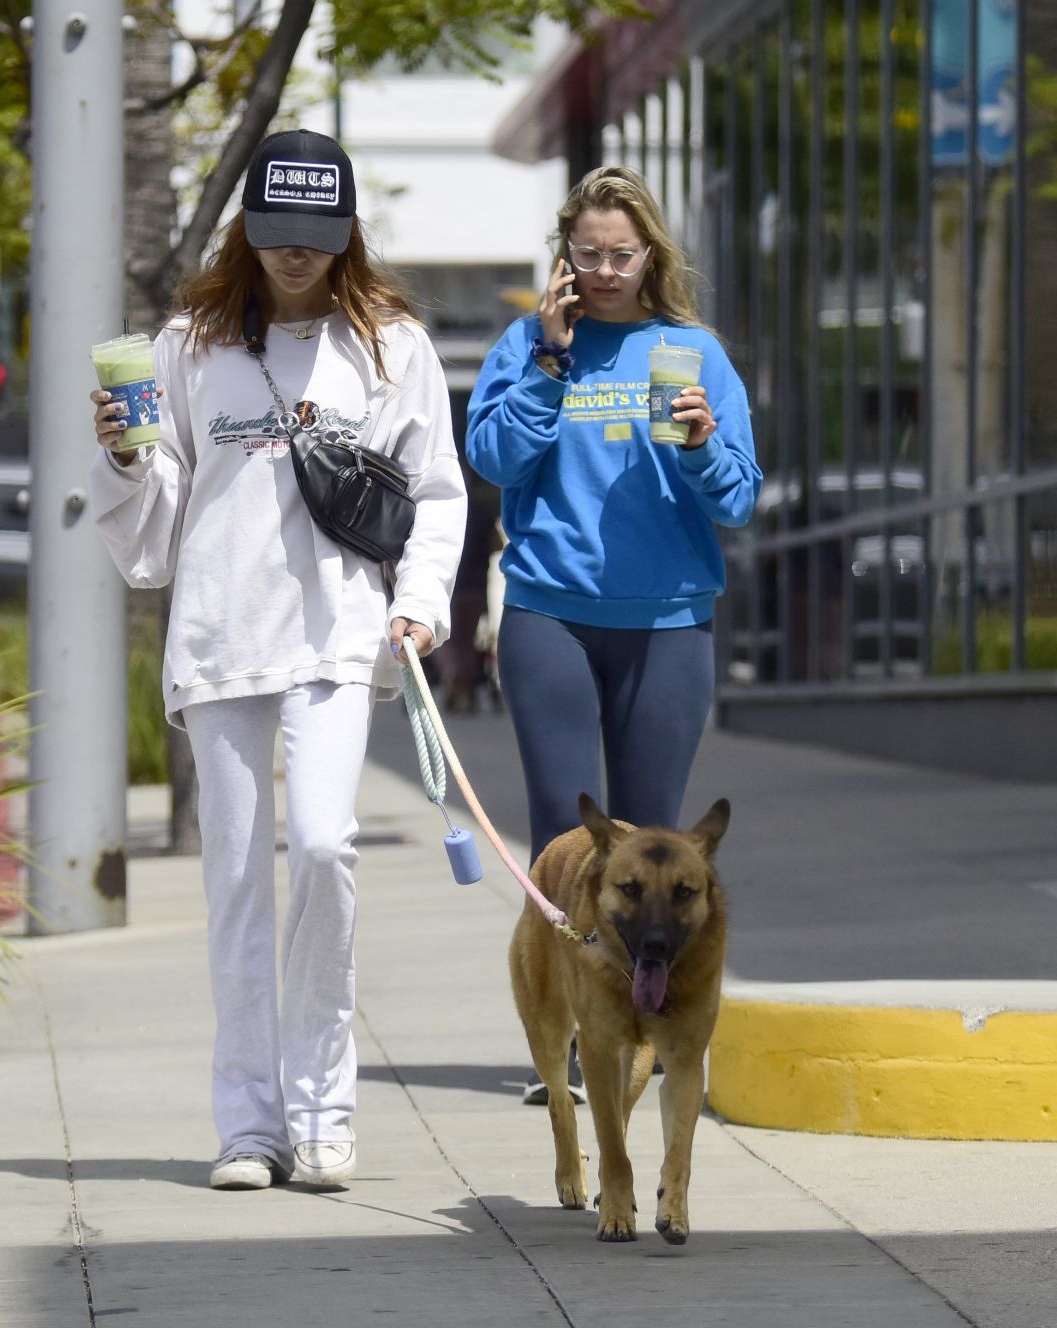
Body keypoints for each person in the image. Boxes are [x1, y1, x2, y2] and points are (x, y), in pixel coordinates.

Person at [87, 129, 467, 1188]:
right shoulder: (188, 344)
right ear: (245, 231)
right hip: (219, 634)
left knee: (326, 845)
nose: (295, 257)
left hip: (339, 635)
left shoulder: (391, 345)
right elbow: (155, 529)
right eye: (276, 236)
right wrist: (120, 455)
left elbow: (434, 492)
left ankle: (324, 1108)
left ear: (345, 233)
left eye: (316, 237)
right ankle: (250, 1124)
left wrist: (420, 606)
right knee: (236, 885)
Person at [465, 165, 761, 1105]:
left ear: (650, 255)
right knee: (567, 847)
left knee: (658, 853)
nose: (602, 271)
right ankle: (563, 1047)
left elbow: (741, 498)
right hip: (550, 608)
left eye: (620, 255)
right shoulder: (528, 344)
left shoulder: (693, 352)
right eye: (586, 254)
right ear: (563, 257)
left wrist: (704, 440)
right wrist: (552, 364)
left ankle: (649, 1036)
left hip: (667, 617)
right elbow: (493, 459)